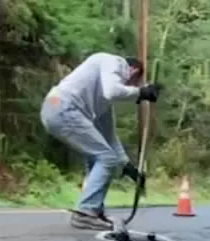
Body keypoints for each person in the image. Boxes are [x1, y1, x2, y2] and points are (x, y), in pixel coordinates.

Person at [41, 53, 162, 230]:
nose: (130, 87)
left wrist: (129, 168)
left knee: (98, 158)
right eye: (133, 83)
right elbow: (113, 91)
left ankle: (93, 210)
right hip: (63, 107)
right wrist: (141, 92)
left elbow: (109, 138)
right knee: (105, 159)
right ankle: (85, 212)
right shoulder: (112, 61)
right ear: (133, 71)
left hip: (58, 110)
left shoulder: (101, 103)